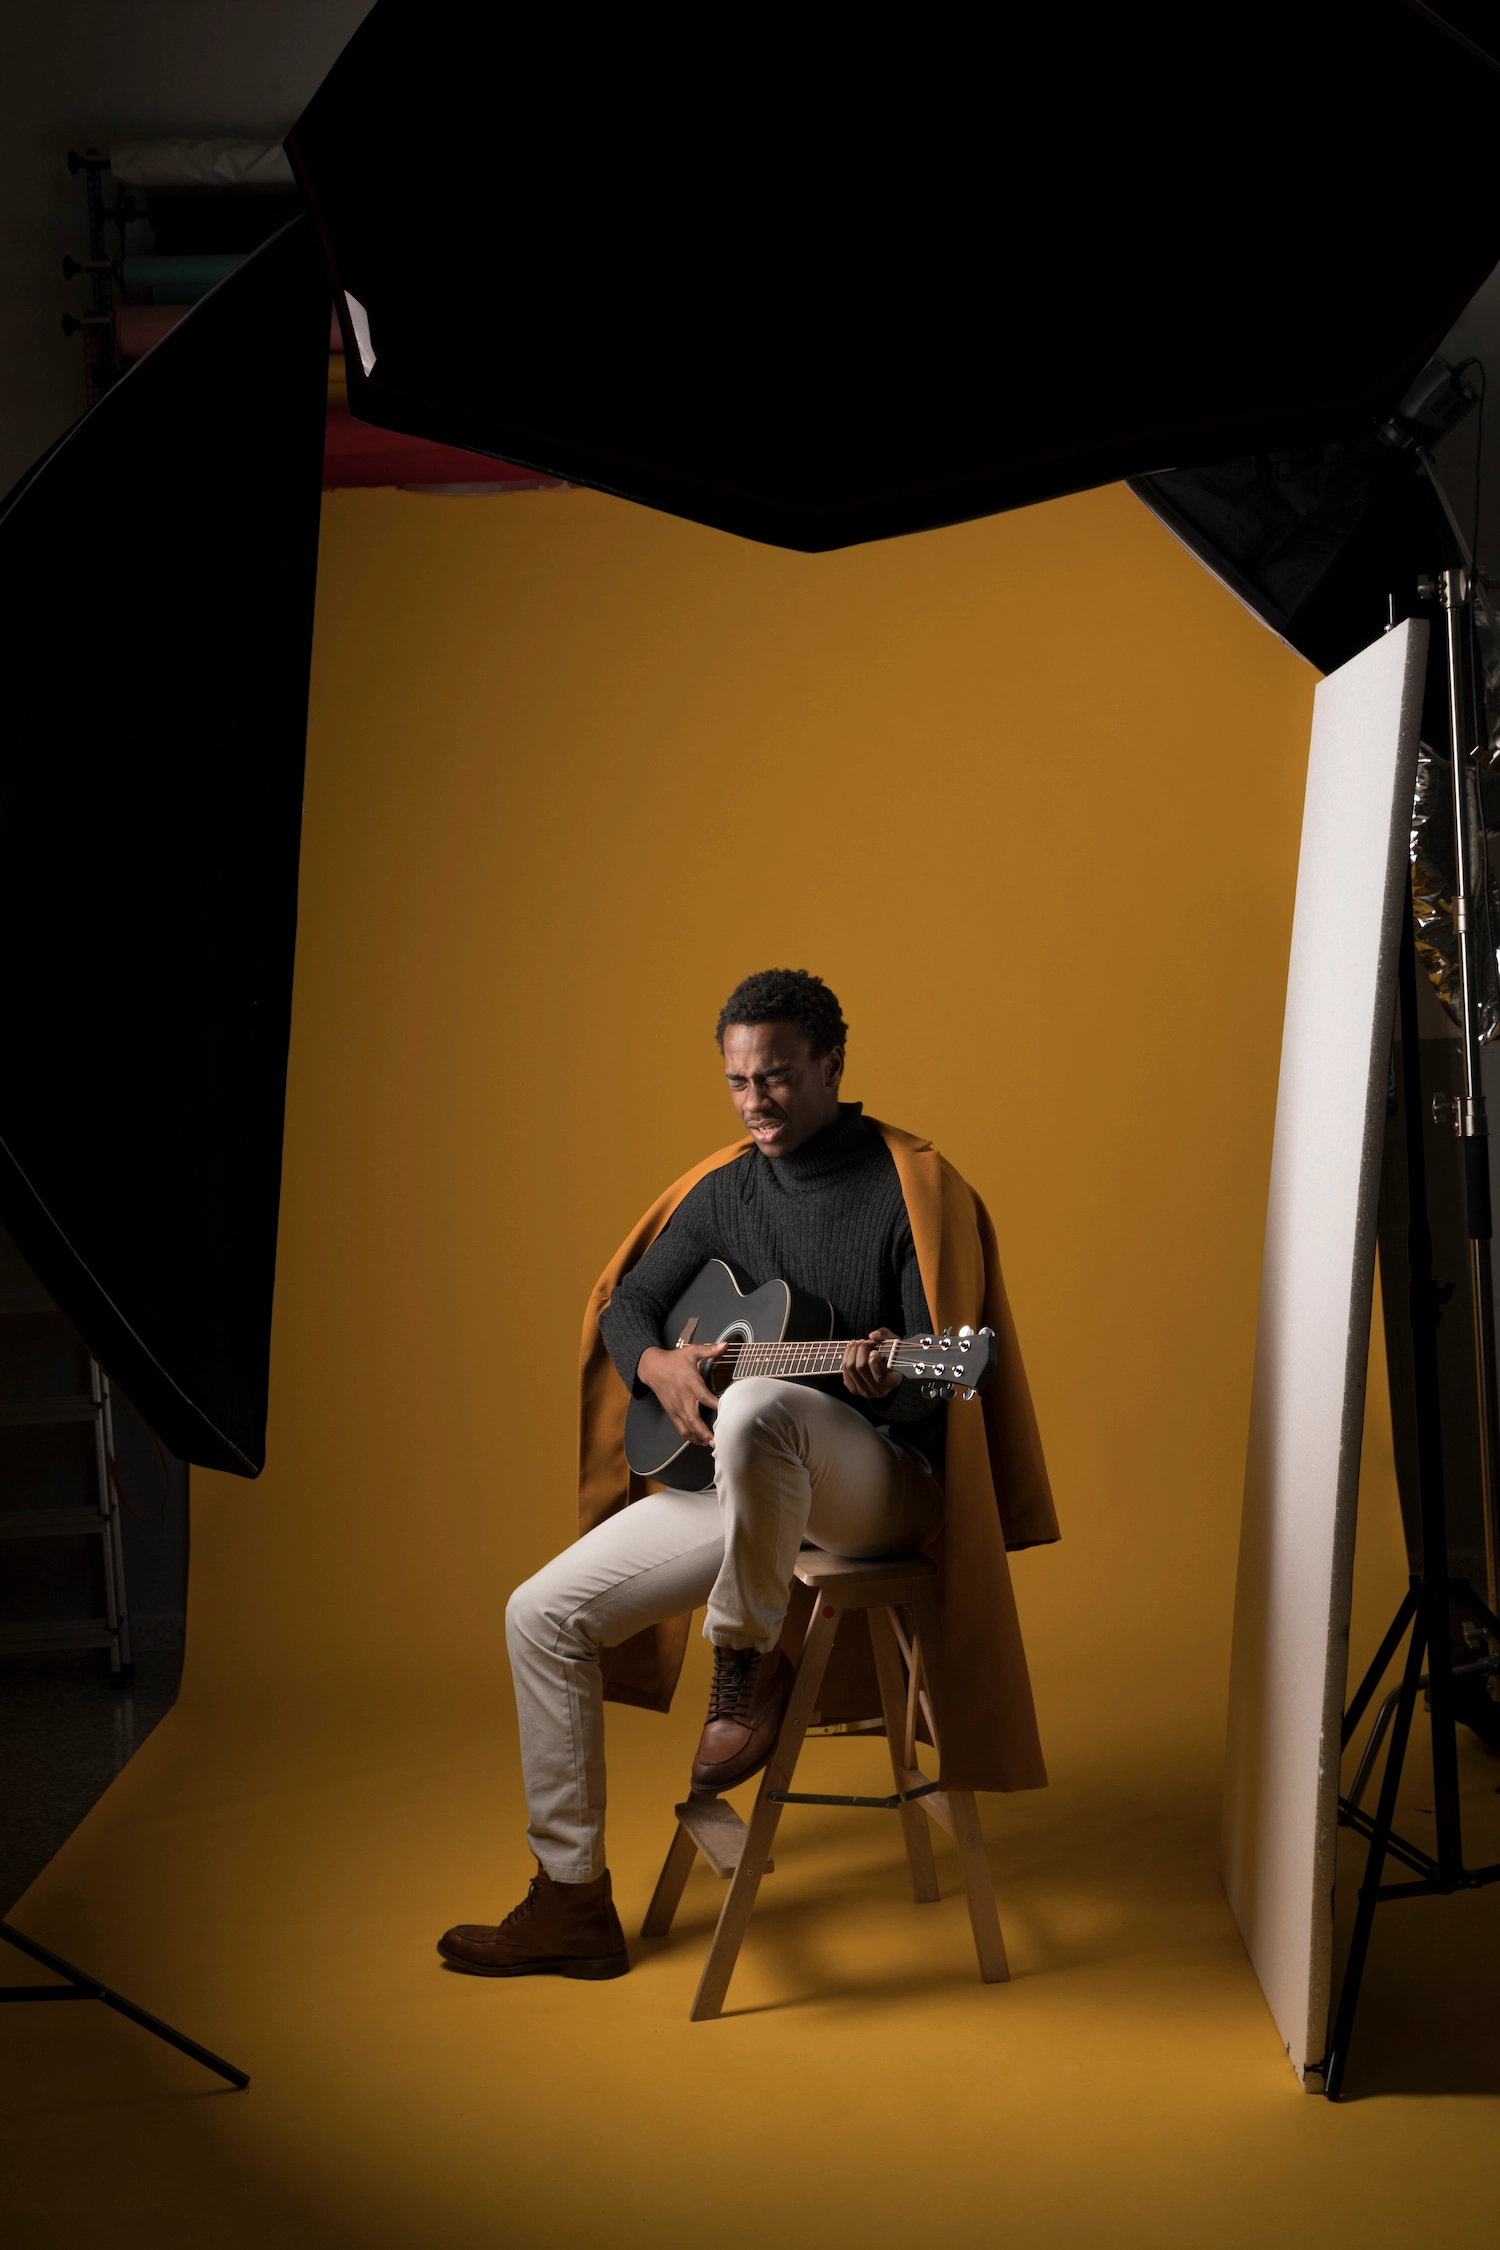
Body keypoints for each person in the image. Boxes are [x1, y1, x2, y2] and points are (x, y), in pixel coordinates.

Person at [438, 968, 1056, 1981]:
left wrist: (885, 1377)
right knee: (537, 1614)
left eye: (775, 1077)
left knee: (768, 1405)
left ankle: (744, 1667)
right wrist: (660, 1364)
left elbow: (936, 1395)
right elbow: (626, 1307)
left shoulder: (906, 1189)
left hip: (878, 1485)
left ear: (831, 1066)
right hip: (750, 1489)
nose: (754, 1100)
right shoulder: (728, 1193)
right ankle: (572, 1901)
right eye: (737, 1082)